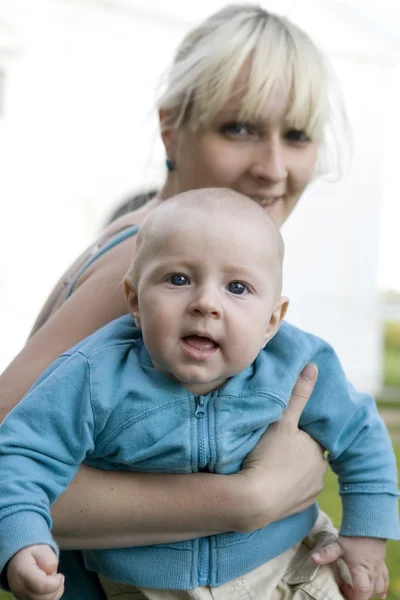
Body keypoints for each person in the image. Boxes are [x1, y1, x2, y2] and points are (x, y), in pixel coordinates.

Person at [0, 4, 368, 600]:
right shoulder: (145, 274)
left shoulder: (159, 250)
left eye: (296, 136)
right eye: (240, 128)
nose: (274, 169)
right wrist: (248, 499)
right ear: (172, 128)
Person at [1, 190, 398, 600]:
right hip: (150, 585)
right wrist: (22, 538)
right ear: (135, 301)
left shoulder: (296, 362)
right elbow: (23, 454)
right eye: (179, 279)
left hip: (289, 565)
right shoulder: (95, 375)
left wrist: (367, 535)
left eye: (238, 287)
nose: (206, 303)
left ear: (272, 321)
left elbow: (360, 432)